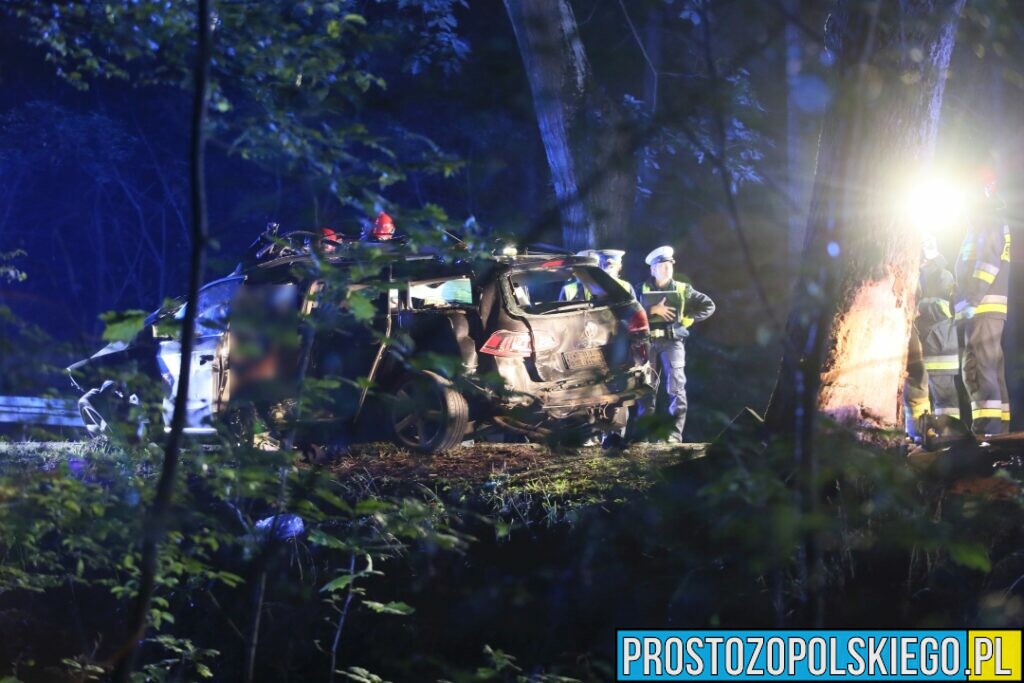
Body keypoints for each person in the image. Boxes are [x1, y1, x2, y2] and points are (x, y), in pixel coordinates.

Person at [635, 246, 715, 443]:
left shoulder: (682, 288)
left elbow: (708, 305)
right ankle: (644, 437)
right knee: (646, 389)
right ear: (652, 269)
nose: (666, 269)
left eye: (669, 265)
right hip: (647, 343)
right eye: (662, 266)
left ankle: (673, 436)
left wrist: (686, 320)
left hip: (672, 343)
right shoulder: (640, 289)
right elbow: (629, 314)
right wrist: (652, 309)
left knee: (677, 389)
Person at [954, 167, 1011, 436]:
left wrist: (971, 300)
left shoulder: (987, 222)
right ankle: (998, 431)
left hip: (982, 307)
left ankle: (988, 432)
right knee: (990, 370)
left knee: (978, 369)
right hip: (986, 309)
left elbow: (987, 263)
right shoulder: (987, 222)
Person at [905, 235, 960, 440]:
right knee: (916, 391)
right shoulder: (914, 274)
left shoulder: (943, 276)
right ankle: (918, 437)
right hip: (925, 343)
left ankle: (949, 441)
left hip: (939, 344)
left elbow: (941, 306)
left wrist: (916, 307)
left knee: (945, 399)